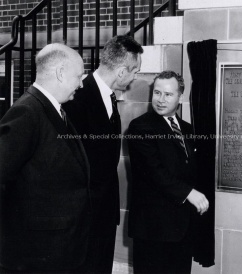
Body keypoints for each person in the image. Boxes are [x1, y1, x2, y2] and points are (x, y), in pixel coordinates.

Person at [0, 43, 89, 273]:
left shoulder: (54, 108)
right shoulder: (27, 112)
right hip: (37, 251)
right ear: (60, 73)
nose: (81, 84)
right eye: (78, 76)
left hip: (59, 247)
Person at [63, 35, 143, 273]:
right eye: (135, 71)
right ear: (121, 72)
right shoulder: (76, 98)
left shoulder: (109, 96)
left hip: (104, 216)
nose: (135, 77)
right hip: (82, 220)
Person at [127, 70, 209, 274]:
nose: (161, 100)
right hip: (153, 229)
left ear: (180, 96)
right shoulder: (140, 127)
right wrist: (189, 193)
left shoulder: (187, 129)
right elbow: (154, 172)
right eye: (157, 93)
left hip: (182, 228)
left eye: (168, 94)